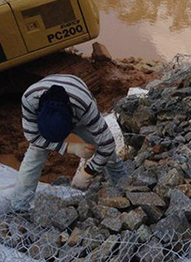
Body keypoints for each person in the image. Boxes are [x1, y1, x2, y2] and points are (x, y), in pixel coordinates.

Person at [10, 75, 125, 212]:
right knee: (34, 155)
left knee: (109, 156)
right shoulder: (29, 100)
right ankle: (19, 207)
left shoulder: (85, 106)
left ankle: (122, 189)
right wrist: (70, 147)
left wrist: (88, 172)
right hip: (52, 108)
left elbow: (107, 144)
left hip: (77, 105)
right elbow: (33, 137)